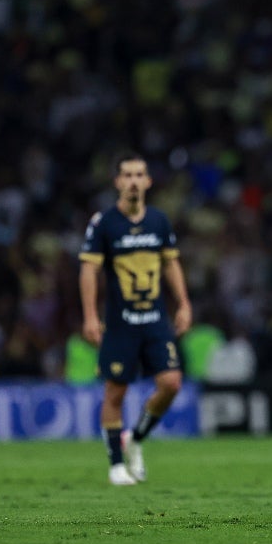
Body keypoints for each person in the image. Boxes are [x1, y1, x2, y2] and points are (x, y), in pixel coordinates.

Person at [79, 152, 193, 485]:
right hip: (120, 323)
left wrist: (183, 303)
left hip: (155, 319)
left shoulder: (158, 221)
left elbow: (171, 263)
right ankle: (116, 464)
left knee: (171, 383)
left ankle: (137, 437)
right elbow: (89, 269)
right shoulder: (104, 223)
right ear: (117, 182)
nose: (132, 181)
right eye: (126, 175)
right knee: (116, 392)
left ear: (147, 181)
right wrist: (89, 316)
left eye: (138, 174)